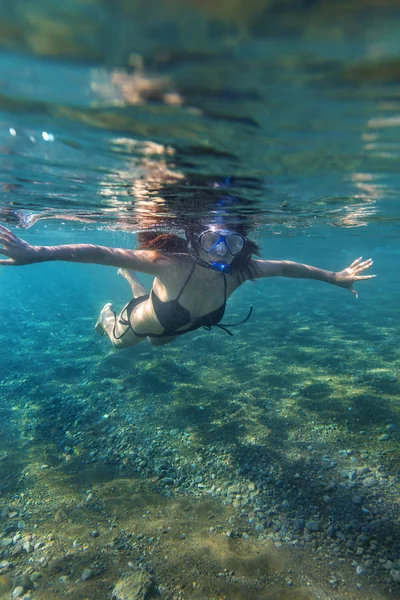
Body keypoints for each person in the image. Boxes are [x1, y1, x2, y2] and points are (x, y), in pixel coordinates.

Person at [0, 222, 375, 349]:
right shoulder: (167, 263)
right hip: (140, 321)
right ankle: (108, 315)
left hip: (174, 323)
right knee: (120, 345)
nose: (223, 250)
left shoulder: (242, 271)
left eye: (233, 243)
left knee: (160, 344)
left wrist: (334, 277)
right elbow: (99, 252)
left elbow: (289, 268)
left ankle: (134, 287)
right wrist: (39, 252)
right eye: (213, 240)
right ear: (195, 239)